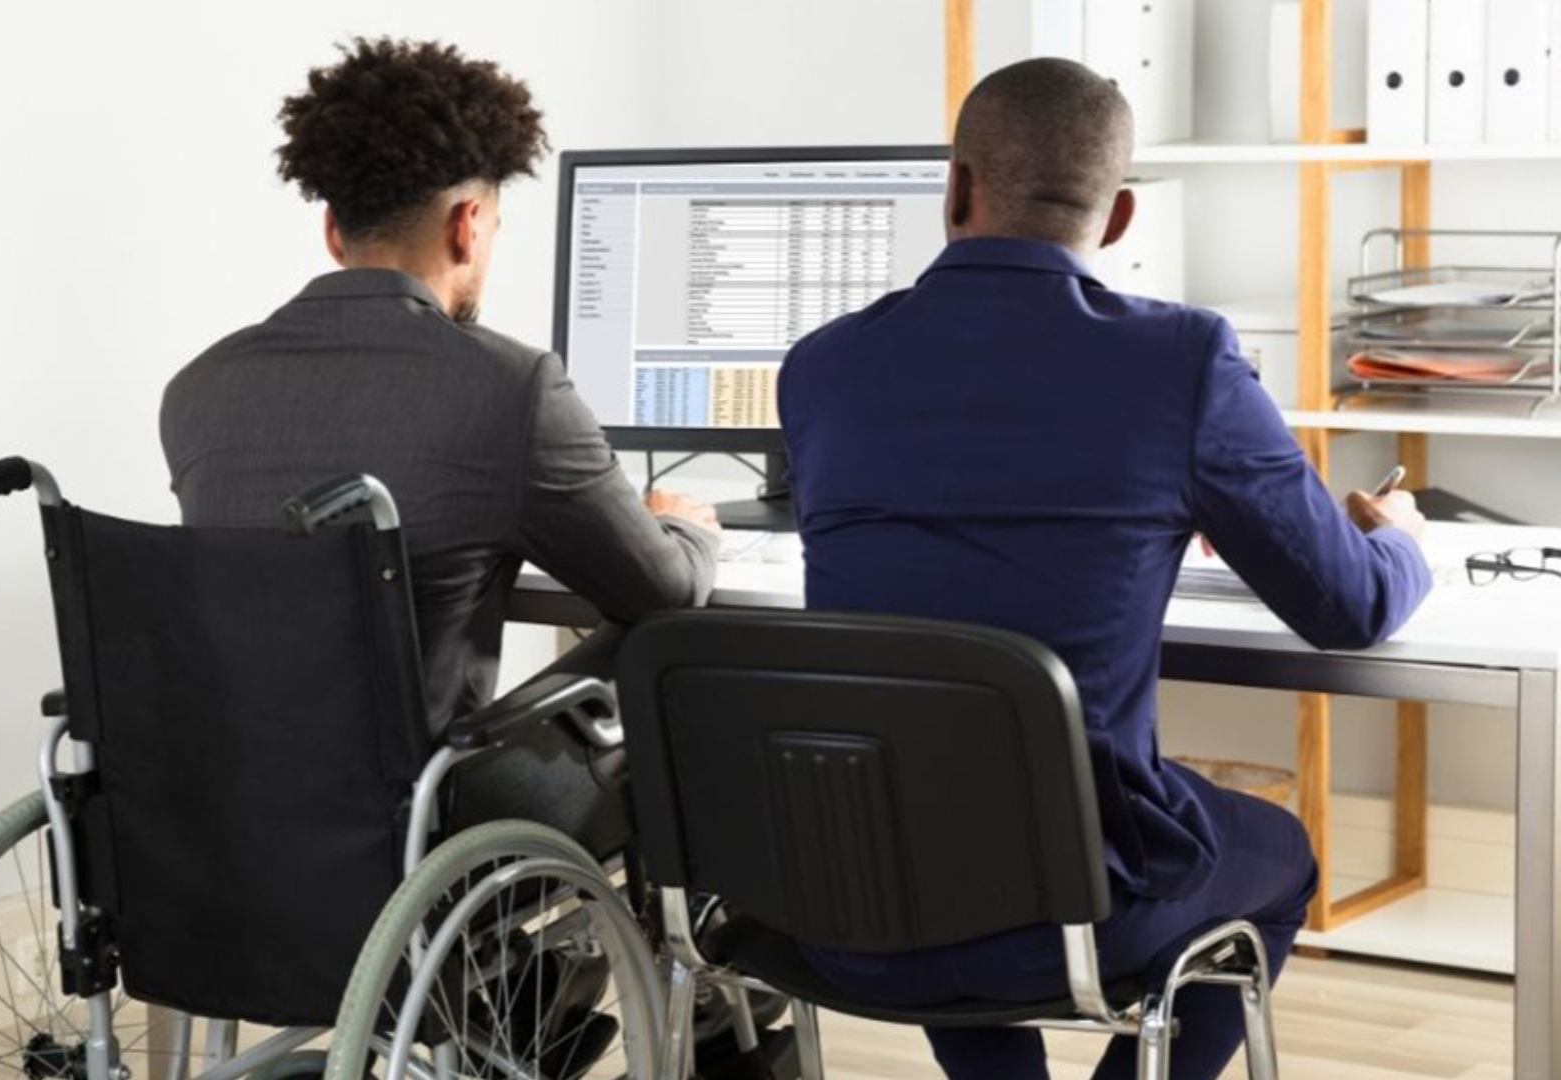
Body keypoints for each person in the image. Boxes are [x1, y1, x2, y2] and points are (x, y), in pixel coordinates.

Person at [780, 59, 1433, 1080]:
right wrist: (1399, 536)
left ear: (953, 189)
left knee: (944, 807)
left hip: (847, 895)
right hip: (1075, 907)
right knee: (1283, 858)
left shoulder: (820, 367)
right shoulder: (1182, 361)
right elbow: (1348, 607)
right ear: (1122, 216)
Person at [160, 37, 720, 850]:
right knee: (660, 640)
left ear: (332, 231)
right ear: (468, 226)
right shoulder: (510, 388)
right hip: (418, 820)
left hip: (236, 820)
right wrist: (687, 530)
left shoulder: (197, 389)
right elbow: (659, 593)